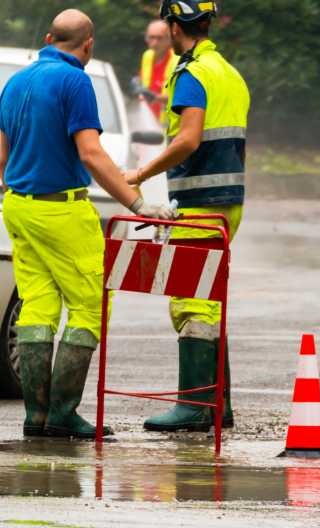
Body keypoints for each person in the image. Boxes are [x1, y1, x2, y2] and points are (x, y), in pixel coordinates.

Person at [0, 9, 177, 438]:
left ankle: (35, 416)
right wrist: (139, 204)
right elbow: (92, 153)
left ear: (47, 38)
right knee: (90, 303)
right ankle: (62, 413)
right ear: (88, 45)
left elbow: (1, 156)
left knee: (38, 307)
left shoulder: (15, 82)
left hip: (18, 208)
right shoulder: (76, 80)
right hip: (63, 209)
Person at [124, 0, 250, 432]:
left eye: (168, 24)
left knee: (191, 299)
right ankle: (219, 404)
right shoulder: (228, 73)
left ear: (177, 26)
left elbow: (189, 138)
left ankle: (194, 405)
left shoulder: (191, 74)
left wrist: (140, 173)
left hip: (200, 200)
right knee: (210, 298)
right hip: (227, 200)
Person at [139, 20, 179, 120]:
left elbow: (181, 98)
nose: (155, 42)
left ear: (169, 39)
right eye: (151, 37)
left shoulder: (177, 60)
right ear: (146, 38)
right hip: (147, 119)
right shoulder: (147, 55)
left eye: (159, 38)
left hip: (168, 123)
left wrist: (154, 97)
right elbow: (144, 83)